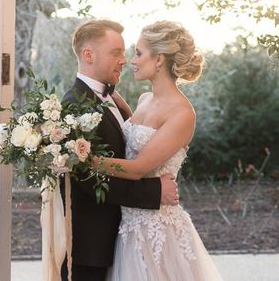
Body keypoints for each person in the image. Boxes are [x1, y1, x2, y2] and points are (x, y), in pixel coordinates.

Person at [97, 20, 223, 281]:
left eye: (138, 53)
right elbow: (135, 137)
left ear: (159, 59)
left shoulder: (182, 113)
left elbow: (138, 168)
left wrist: (82, 158)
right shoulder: (144, 100)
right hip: (128, 224)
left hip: (157, 229)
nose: (132, 60)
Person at [61, 19, 180, 281]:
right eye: (116, 52)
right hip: (92, 247)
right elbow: (87, 181)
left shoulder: (113, 98)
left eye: (128, 53)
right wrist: (155, 190)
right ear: (88, 55)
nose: (124, 60)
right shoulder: (74, 107)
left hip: (123, 237)